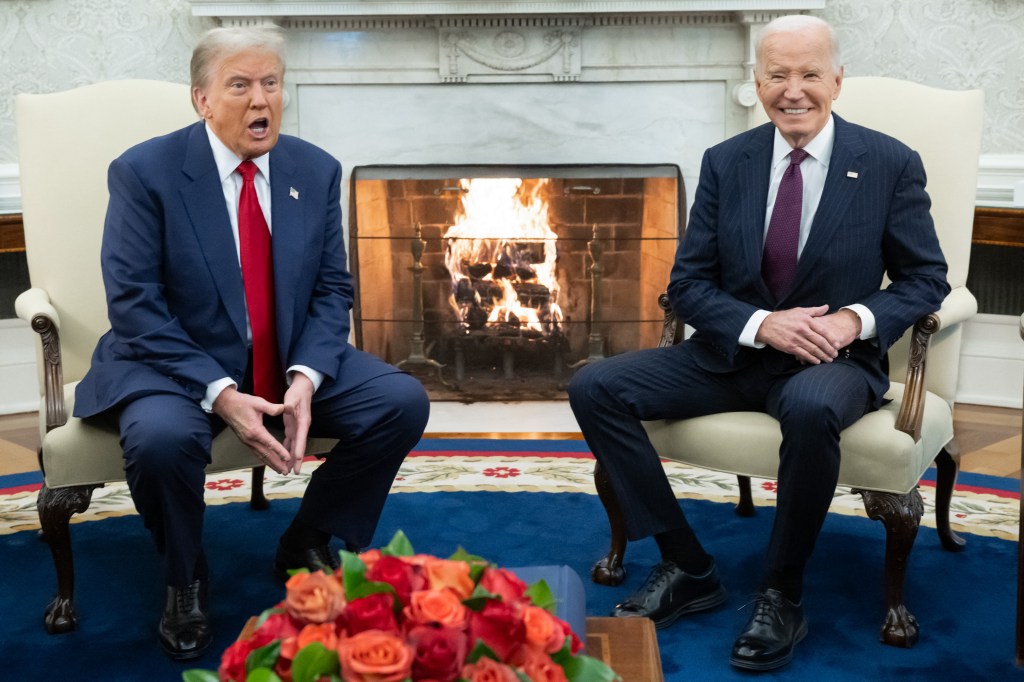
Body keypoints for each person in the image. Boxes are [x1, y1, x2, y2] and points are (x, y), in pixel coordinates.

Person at [567, 14, 949, 672]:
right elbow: (688, 284)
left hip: (832, 365)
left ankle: (782, 591)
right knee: (595, 386)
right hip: (731, 356)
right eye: (777, 74)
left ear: (837, 80)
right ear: (757, 81)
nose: (792, 90)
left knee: (807, 409)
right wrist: (760, 324)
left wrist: (852, 320)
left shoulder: (887, 163)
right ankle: (688, 565)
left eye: (808, 74)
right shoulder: (727, 163)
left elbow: (925, 278)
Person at [73, 26, 430, 660]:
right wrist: (220, 392)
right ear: (201, 100)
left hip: (283, 354)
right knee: (160, 441)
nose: (259, 100)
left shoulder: (313, 169)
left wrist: (305, 378)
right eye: (239, 85)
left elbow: (331, 287)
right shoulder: (145, 173)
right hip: (174, 362)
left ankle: (306, 539)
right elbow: (133, 303)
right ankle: (185, 579)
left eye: (271, 83)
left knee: (400, 401)